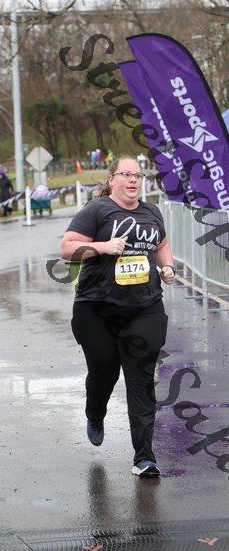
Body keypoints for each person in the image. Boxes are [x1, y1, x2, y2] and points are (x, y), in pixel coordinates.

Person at [60, 155, 175, 478]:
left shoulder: (152, 212)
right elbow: (67, 249)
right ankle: (95, 414)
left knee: (142, 380)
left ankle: (144, 457)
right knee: (104, 373)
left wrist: (168, 267)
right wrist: (103, 247)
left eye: (138, 175)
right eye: (126, 174)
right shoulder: (97, 210)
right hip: (97, 310)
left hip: (144, 307)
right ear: (112, 180)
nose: (133, 180)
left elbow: (161, 244)